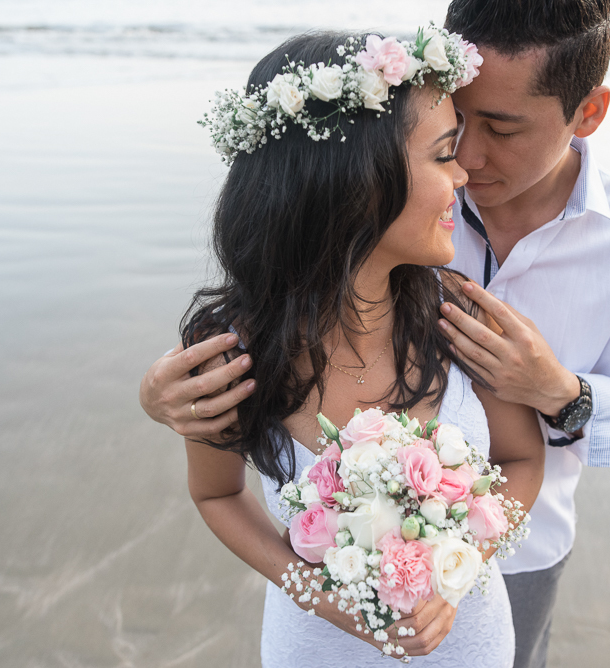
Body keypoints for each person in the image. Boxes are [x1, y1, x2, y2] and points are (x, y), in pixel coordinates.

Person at [142, 1, 610, 666]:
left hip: (517, 560)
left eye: (501, 129)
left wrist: (557, 391)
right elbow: (217, 482)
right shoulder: (252, 340)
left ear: (586, 115)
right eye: (453, 139)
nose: (468, 167)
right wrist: (160, 396)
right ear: (358, 181)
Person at [178, 29, 546, 667]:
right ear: (358, 184)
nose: (463, 173)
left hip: (470, 648)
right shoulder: (232, 354)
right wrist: (316, 593)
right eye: (441, 155)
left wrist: (456, 571)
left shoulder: (457, 315)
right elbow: (216, 495)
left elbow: (522, 460)